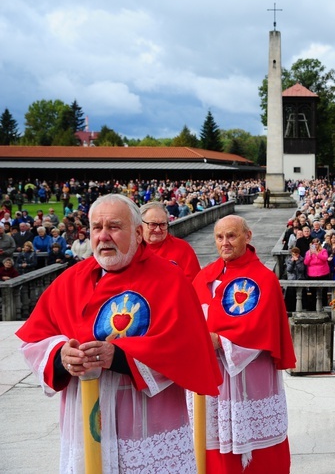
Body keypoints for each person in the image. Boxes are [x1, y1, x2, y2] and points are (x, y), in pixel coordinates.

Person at [16, 193, 221, 472]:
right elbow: (34, 339)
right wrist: (61, 355)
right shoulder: (71, 280)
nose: (103, 236)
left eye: (113, 226)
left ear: (138, 233)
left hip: (148, 426)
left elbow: (187, 348)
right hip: (85, 419)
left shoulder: (169, 280)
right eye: (96, 228)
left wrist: (120, 356)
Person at [192, 215, 296, 473]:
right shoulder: (204, 276)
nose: (225, 242)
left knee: (255, 450)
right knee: (212, 442)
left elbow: (262, 326)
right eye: (219, 237)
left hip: (249, 376)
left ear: (247, 237)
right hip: (212, 377)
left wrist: (219, 340)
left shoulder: (263, 278)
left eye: (231, 236)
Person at [140, 201, 201, 281]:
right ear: (140, 225)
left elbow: (195, 283)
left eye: (163, 224)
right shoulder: (130, 249)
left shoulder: (182, 248)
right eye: (153, 224)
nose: (158, 229)